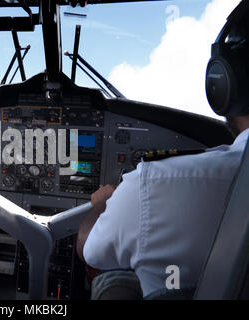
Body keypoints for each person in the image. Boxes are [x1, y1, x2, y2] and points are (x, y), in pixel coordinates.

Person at [77, 1, 249, 298]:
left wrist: (101, 205)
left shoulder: (154, 183)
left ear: (227, 83)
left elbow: (90, 250)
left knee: (112, 281)